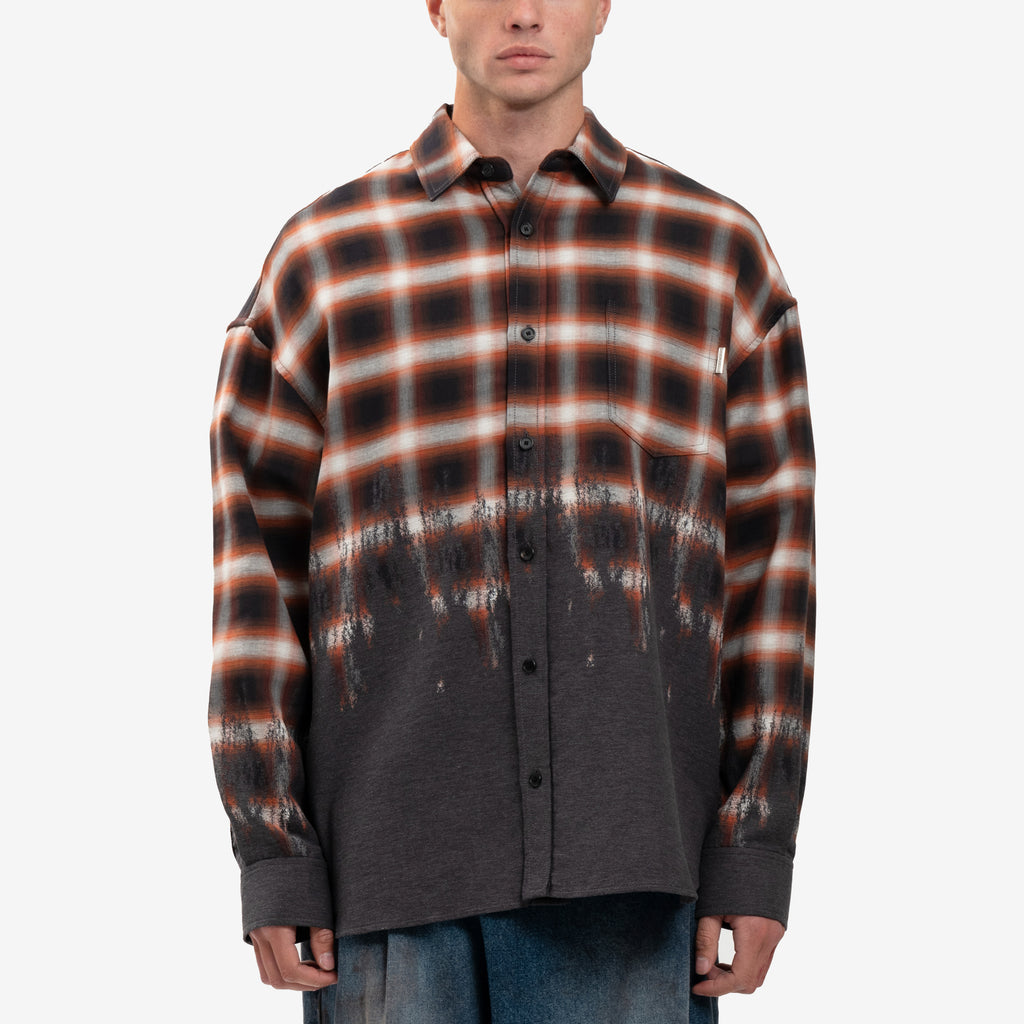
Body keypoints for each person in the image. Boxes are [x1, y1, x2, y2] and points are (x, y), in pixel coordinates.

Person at [208, 1, 815, 1020]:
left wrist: (755, 844)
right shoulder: (325, 260)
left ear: (604, 5)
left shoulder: (716, 255)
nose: (525, 11)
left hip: (635, 891)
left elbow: (771, 571)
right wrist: (273, 850)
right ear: (436, 5)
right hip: (385, 890)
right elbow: (256, 575)